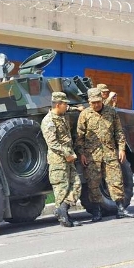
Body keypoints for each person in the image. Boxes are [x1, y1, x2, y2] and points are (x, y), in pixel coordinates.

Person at [75, 87, 134, 222]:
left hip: (110, 152)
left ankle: (121, 209)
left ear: (102, 100)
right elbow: (80, 137)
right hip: (92, 155)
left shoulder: (111, 112)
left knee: (116, 180)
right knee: (93, 183)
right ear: (89, 102)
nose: (96, 105)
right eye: (92, 102)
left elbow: (119, 132)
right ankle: (96, 212)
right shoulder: (84, 115)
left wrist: (122, 149)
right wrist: (82, 154)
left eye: (98, 102)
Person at [41, 92, 82, 228]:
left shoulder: (62, 114)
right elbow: (52, 143)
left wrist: (78, 109)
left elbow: (70, 109)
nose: (67, 106)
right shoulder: (49, 121)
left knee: (76, 185)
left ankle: (62, 210)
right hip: (58, 160)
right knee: (61, 189)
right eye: (65, 104)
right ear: (58, 105)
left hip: (68, 158)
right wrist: (67, 154)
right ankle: (64, 217)